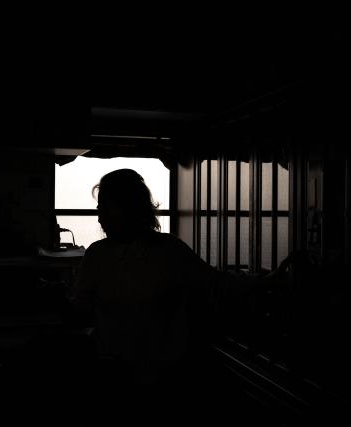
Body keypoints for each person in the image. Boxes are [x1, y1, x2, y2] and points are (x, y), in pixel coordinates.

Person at [68, 168, 279, 424]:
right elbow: (217, 283)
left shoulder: (102, 255)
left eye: (105, 208)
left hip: (139, 377)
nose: (99, 217)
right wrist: (263, 282)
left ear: (129, 208)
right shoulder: (165, 251)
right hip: (156, 376)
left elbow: (80, 308)